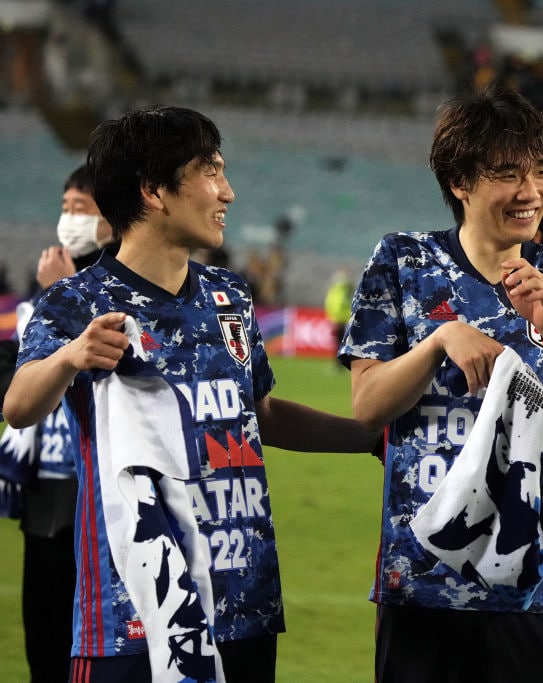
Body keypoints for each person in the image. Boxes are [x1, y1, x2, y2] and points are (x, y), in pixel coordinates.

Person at [2, 105, 381, 683]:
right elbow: (20, 405)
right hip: (133, 614)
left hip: (242, 605)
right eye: (210, 171)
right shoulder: (78, 300)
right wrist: (69, 356)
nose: (227, 192)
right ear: (153, 190)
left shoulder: (230, 295)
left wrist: (372, 436)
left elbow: (263, 417)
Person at [339, 88, 543, 683]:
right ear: (460, 180)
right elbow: (366, 406)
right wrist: (437, 340)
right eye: (507, 173)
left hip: (540, 581)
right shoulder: (403, 263)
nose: (530, 191)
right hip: (424, 582)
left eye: (542, 171)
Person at [0, 163, 115, 683]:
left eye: (81, 209)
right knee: (42, 642)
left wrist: (63, 293)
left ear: (111, 218)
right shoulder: (41, 291)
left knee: (91, 644)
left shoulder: (122, 284)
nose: (68, 219)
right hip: (45, 491)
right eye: (65, 208)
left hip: (97, 490)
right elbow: (13, 380)